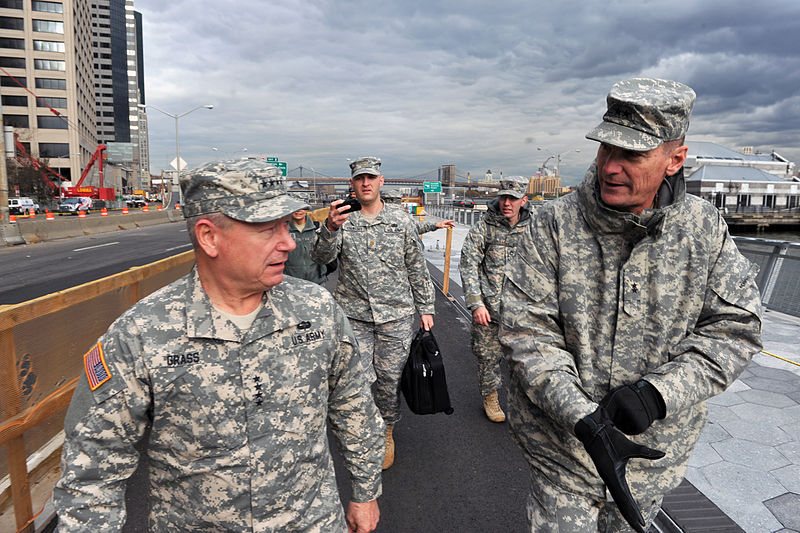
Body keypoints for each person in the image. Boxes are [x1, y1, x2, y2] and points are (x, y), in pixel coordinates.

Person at [53, 160, 385, 533]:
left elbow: (353, 404)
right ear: (209, 236)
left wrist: (365, 491)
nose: (289, 242)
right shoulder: (140, 335)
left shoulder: (317, 309)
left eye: (287, 225)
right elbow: (92, 471)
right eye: (267, 229)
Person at [499, 78, 762, 532]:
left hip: (651, 460)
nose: (610, 167)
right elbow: (527, 330)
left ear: (675, 159)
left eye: (632, 155)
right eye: (606, 149)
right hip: (564, 450)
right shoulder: (555, 223)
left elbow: (736, 328)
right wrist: (582, 417)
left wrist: (659, 393)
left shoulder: (703, 229)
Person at [312, 156, 435, 470]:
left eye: (371, 178)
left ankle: (387, 429)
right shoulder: (341, 219)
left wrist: (426, 308)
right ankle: (366, 429)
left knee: (389, 380)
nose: (365, 183)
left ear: (381, 181)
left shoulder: (401, 221)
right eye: (359, 178)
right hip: (354, 317)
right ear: (352, 184)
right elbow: (320, 257)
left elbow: (416, 267)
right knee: (356, 379)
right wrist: (329, 228)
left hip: (397, 316)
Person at [459, 176, 531, 423]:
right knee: (487, 357)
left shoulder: (534, 228)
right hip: (489, 309)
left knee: (526, 362)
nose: (506, 203)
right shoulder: (485, 226)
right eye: (503, 197)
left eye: (512, 198)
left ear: (524, 200)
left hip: (524, 311)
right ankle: (490, 397)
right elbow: (468, 263)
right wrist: (476, 302)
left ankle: (526, 404)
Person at [285, 206, 333, 284]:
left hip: (316, 283)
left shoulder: (318, 228)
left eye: (302, 207)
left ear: (307, 209)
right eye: (296, 207)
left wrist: (322, 273)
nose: (299, 211)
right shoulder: (282, 229)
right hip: (290, 284)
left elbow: (328, 253)